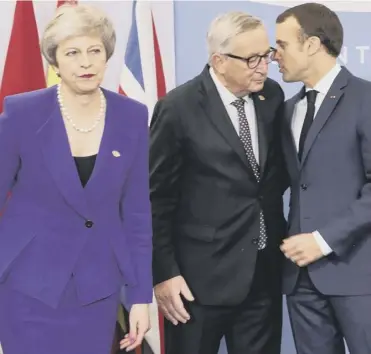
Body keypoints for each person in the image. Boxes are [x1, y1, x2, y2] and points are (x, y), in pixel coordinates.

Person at [0, 4, 152, 354]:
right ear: (55, 61)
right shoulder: (23, 112)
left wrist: (141, 297)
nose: (86, 62)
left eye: (94, 51)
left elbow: (137, 216)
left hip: (95, 289)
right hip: (27, 285)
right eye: (73, 53)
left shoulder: (131, 116)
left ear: (106, 55)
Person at [150, 11, 288, 354]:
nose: (263, 66)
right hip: (197, 285)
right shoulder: (177, 108)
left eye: (267, 54)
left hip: (262, 275)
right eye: (252, 59)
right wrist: (164, 273)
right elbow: (156, 198)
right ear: (219, 61)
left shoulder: (271, 97)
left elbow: (269, 181)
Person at [274, 3, 371, 353]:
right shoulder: (287, 110)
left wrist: (324, 240)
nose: (274, 55)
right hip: (300, 280)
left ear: (312, 45)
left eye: (282, 45)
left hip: (359, 274)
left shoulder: (366, 99)